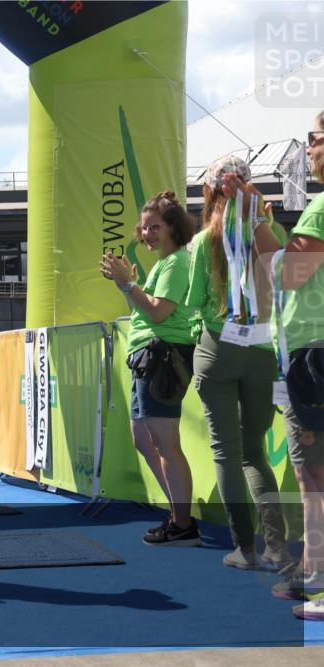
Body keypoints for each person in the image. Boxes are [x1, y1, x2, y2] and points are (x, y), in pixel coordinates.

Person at [185, 155, 290, 570]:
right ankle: (277, 548)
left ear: (211, 191)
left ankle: (244, 549)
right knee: (254, 452)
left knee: (226, 452)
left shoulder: (203, 242)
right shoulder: (273, 232)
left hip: (217, 349)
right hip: (263, 351)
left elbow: (194, 300)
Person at [100, 191, 199, 546]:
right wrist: (129, 286)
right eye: (144, 228)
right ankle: (178, 515)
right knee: (144, 439)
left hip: (163, 356)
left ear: (173, 228)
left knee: (164, 442)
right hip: (149, 355)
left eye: (155, 227)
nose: (147, 234)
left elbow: (158, 312)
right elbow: (147, 310)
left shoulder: (176, 263)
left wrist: (127, 284)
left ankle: (183, 523)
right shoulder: (164, 263)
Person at [264, 112, 324, 619]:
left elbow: (289, 276)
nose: (308, 149)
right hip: (311, 352)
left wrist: (253, 226)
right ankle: (315, 571)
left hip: (314, 354)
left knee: (315, 476)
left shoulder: (321, 208)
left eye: (315, 138)